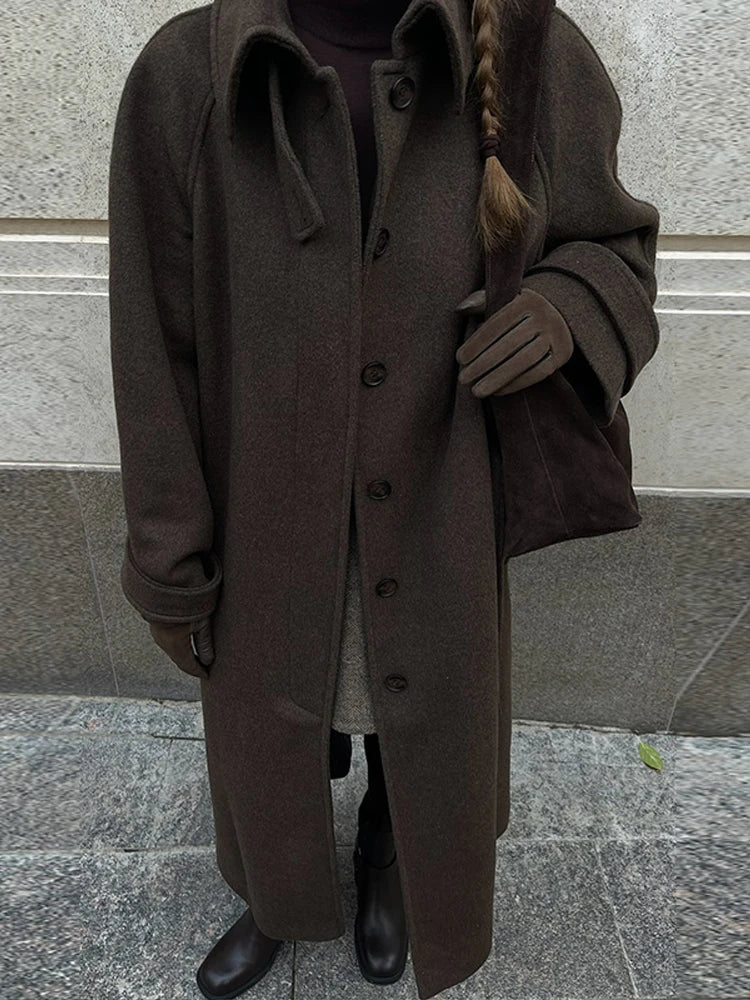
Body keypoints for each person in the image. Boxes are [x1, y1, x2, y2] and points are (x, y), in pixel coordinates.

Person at [107, 0, 660, 997]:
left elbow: (615, 244)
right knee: (273, 717)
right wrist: (168, 559)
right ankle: (275, 893)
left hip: (441, 497)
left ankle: (389, 850)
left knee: (421, 709)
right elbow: (153, 340)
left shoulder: (528, 47)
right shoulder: (189, 72)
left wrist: (570, 309)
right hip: (264, 506)